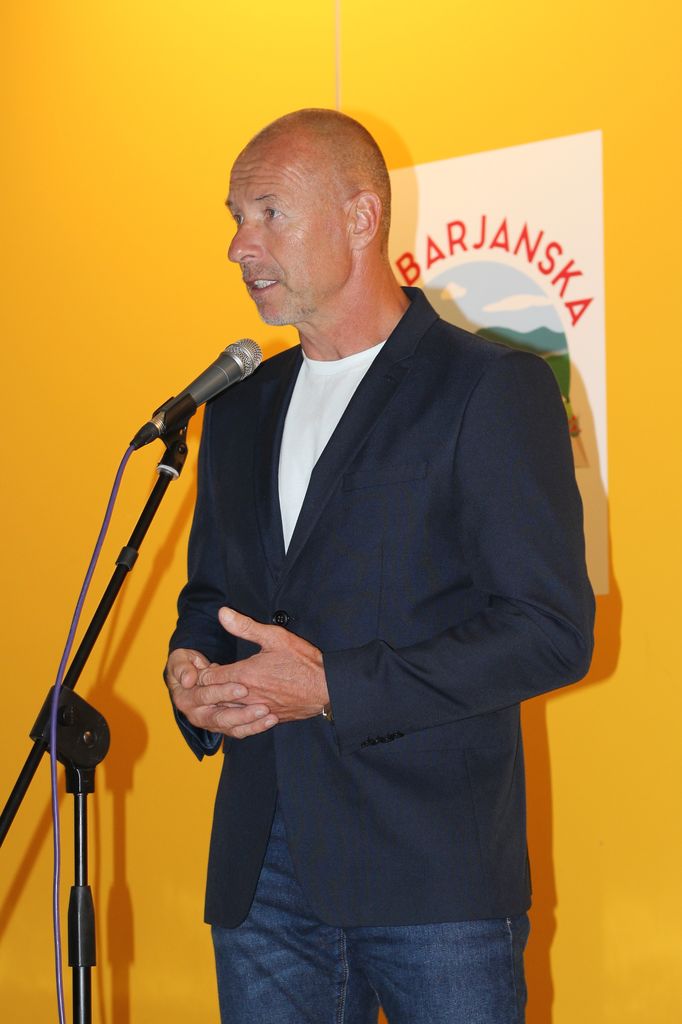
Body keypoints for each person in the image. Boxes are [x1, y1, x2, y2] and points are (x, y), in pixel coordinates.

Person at [164, 108, 594, 1024]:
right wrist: (192, 672)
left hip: (433, 872)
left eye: (269, 213)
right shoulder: (236, 409)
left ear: (361, 218)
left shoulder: (487, 387)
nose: (240, 246)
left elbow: (549, 631)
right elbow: (212, 594)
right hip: (262, 871)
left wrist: (334, 689)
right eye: (235, 217)